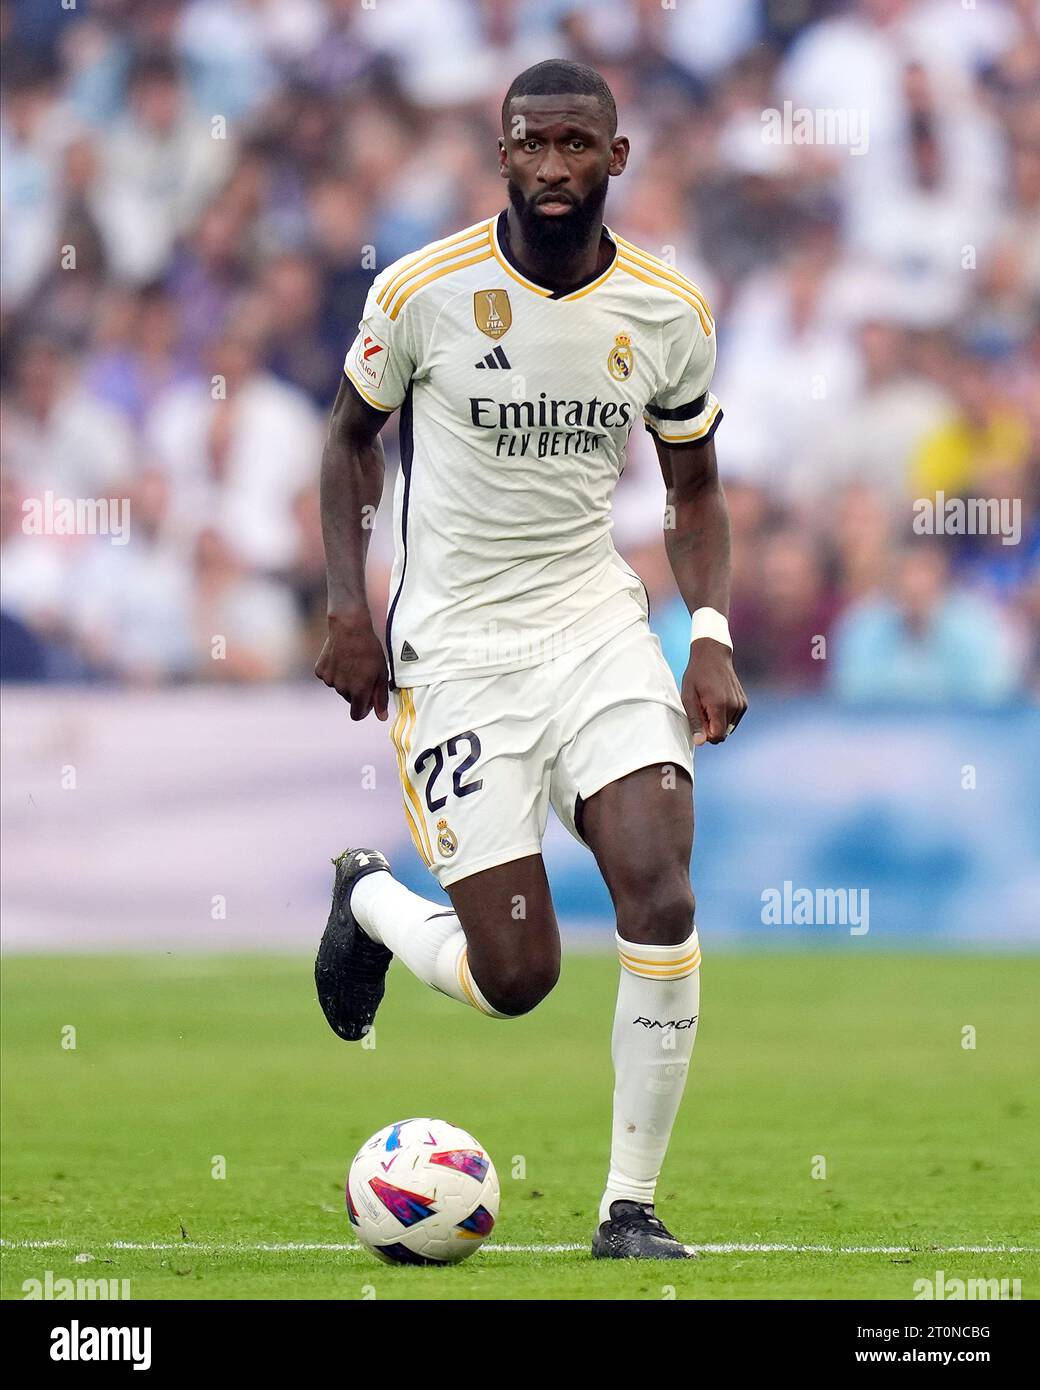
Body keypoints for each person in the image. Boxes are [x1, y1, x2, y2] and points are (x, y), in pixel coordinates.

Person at [313, 60, 747, 1260]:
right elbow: (350, 441)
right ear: (497, 155)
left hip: (594, 628)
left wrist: (705, 633)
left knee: (659, 891)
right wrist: (348, 605)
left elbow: (694, 485)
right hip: (455, 651)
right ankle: (366, 898)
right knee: (516, 976)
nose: (551, 168)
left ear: (617, 158)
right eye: (529, 145)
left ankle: (629, 1206)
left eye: (573, 145)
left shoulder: (664, 311)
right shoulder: (423, 291)